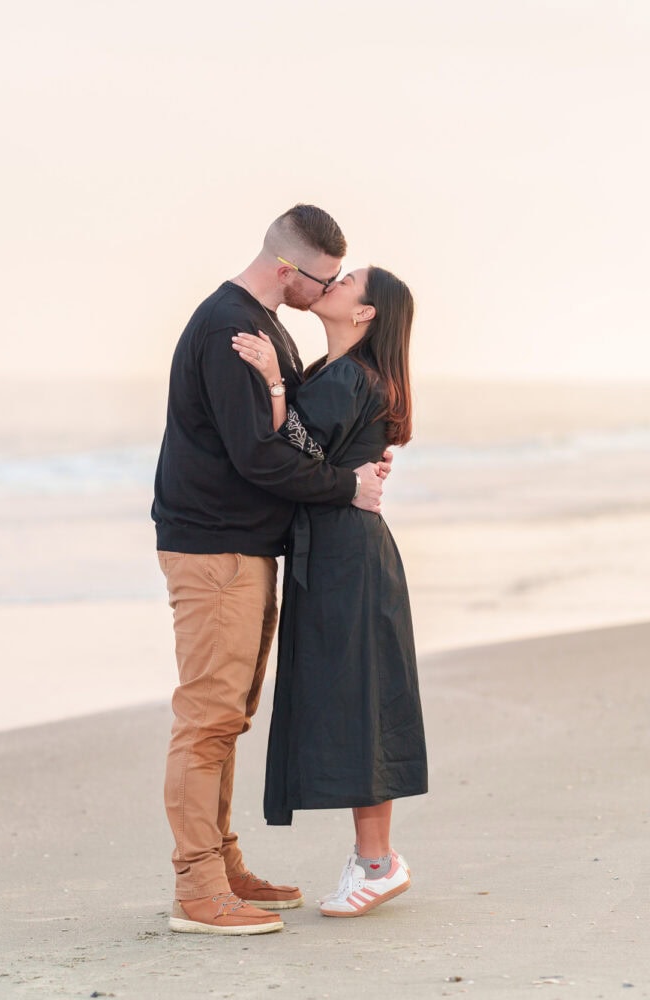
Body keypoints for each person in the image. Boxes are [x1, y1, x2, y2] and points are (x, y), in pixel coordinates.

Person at [151, 205, 391, 936]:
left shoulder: (269, 321)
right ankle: (198, 887)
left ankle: (223, 865)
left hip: (245, 547)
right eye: (320, 281)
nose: (325, 294)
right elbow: (260, 455)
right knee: (207, 718)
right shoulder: (232, 329)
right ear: (288, 268)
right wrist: (348, 488)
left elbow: (298, 431)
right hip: (212, 546)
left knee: (229, 717)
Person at [230, 265, 426, 918]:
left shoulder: (350, 376)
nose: (335, 284)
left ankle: (377, 863)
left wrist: (271, 381)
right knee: (354, 699)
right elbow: (320, 452)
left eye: (350, 282)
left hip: (350, 555)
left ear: (366, 313)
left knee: (359, 701)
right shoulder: (339, 371)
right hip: (344, 549)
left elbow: (293, 445)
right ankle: (376, 859)